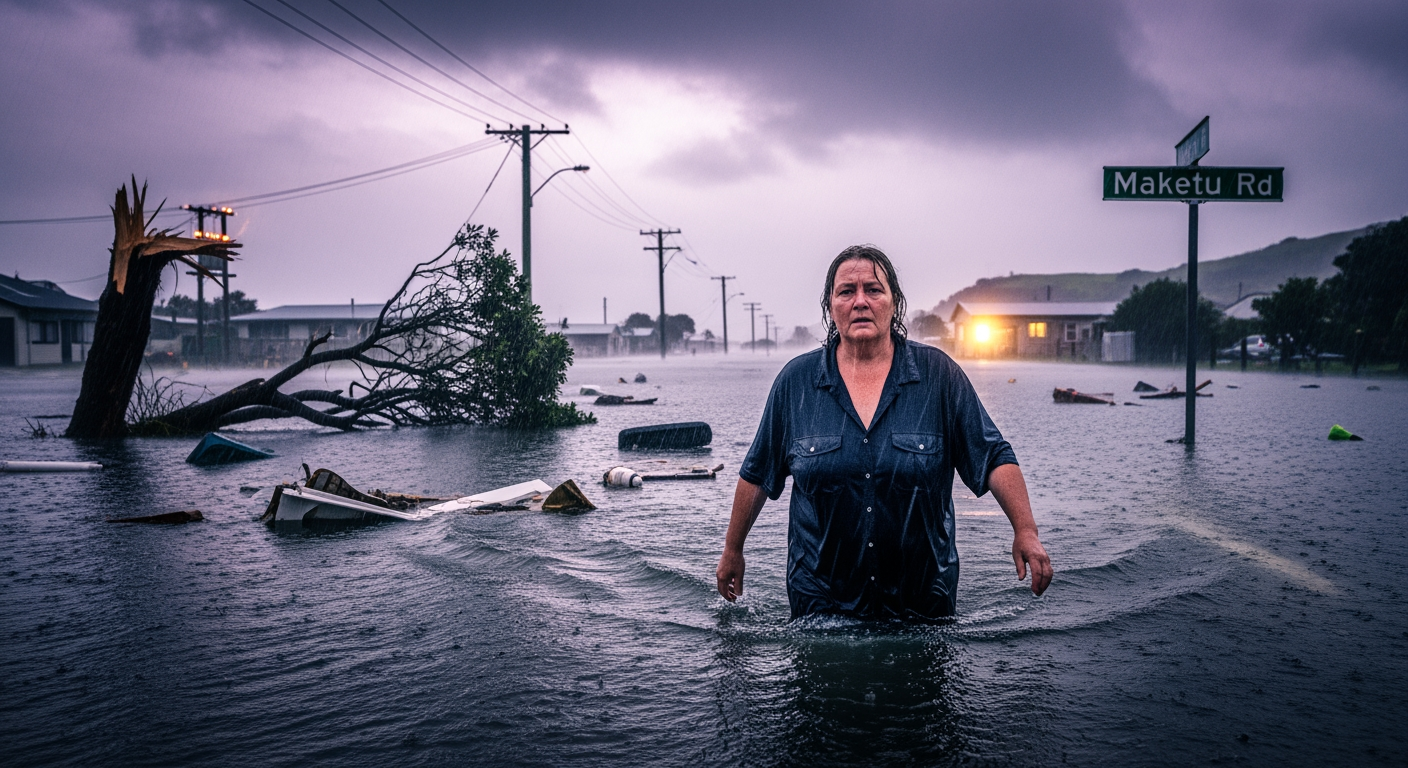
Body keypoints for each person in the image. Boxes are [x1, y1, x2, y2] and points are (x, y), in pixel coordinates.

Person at [715, 245, 1052, 620]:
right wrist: (733, 549)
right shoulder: (796, 383)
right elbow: (758, 473)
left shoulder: (938, 376)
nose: (860, 301)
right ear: (830, 306)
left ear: (895, 303)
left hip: (922, 606)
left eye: (873, 290)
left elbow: (992, 456)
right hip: (820, 609)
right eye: (847, 291)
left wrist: (1026, 530)